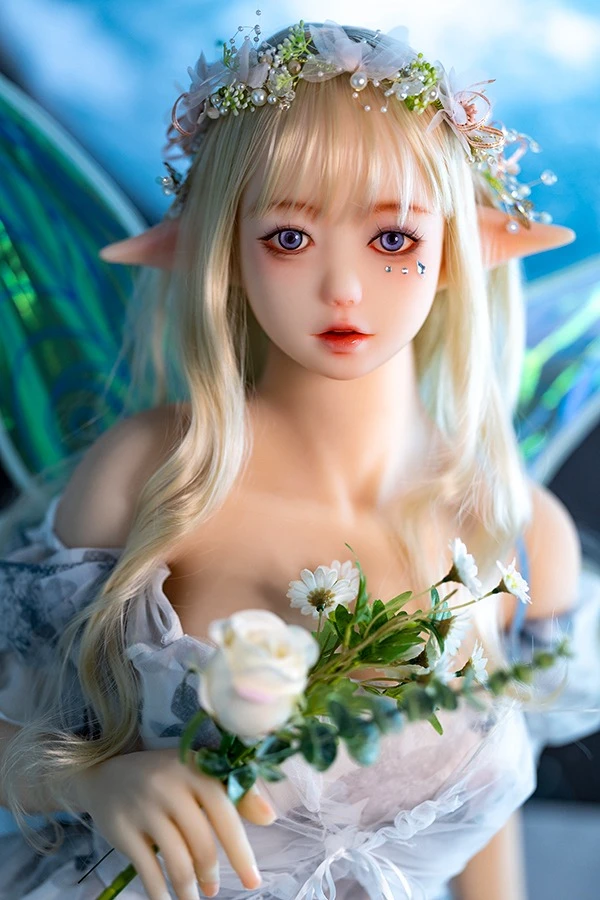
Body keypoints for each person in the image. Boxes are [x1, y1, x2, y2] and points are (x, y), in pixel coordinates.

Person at [1, 16, 600, 900]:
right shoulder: (156, 477)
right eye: (288, 237)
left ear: (455, 251)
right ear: (225, 251)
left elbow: (485, 814)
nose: (343, 288)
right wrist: (93, 781)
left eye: (393, 239)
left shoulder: (516, 533)